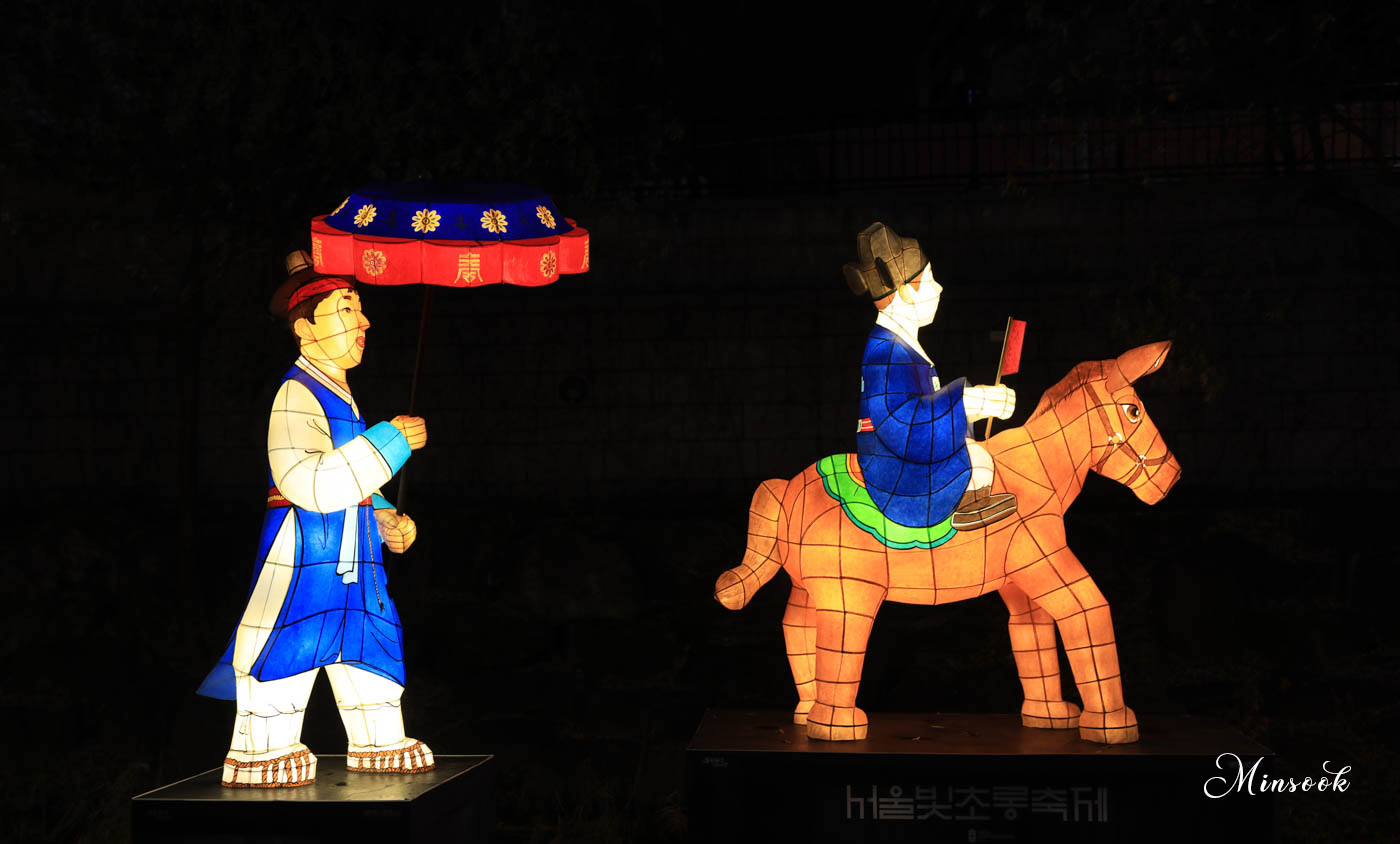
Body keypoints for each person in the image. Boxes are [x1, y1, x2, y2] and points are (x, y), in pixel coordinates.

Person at [196, 250, 433, 787]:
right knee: (286, 642)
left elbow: (354, 482)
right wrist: (390, 442)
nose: (364, 322)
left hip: (354, 555)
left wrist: (387, 518)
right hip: (305, 549)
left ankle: (378, 740)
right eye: (347, 309)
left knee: (372, 643)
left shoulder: (343, 396)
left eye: (360, 309)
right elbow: (309, 482)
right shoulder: (295, 394)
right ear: (305, 327)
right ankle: (263, 749)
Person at [843, 223, 1018, 531]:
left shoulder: (902, 345)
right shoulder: (886, 353)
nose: (938, 289)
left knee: (984, 458)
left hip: (912, 457)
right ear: (904, 292)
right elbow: (901, 421)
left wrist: (974, 407)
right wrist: (968, 401)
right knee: (978, 461)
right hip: (899, 476)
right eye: (929, 280)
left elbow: (927, 412)